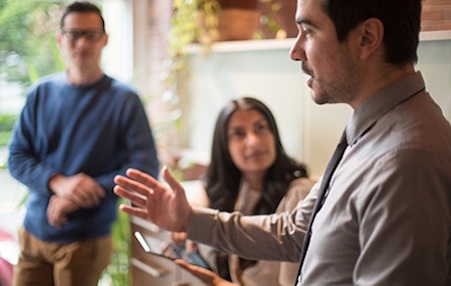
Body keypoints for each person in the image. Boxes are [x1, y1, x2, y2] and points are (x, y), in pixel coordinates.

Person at [113, 0, 451, 285]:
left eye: (309, 30)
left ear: (366, 38)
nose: (295, 50)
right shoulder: (371, 130)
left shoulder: (406, 161)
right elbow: (295, 231)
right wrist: (188, 220)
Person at [7, 2, 159, 285]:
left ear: (105, 39)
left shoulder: (124, 100)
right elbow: (16, 156)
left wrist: (79, 194)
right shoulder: (41, 93)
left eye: (91, 34)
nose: (82, 42)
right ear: (60, 39)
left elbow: (144, 168)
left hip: (85, 242)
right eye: (74, 34)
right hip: (32, 234)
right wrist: (59, 183)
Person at [174, 97, 314, 286]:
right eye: (239, 134)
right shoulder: (240, 189)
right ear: (225, 147)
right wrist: (189, 221)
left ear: (274, 134)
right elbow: (202, 190)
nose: (253, 141)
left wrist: (218, 283)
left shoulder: (298, 194)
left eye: (260, 128)